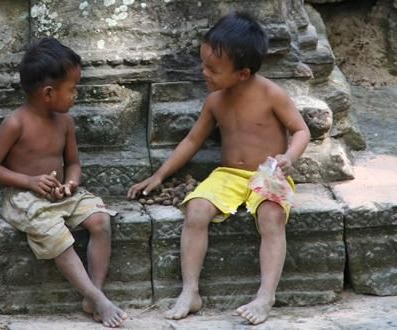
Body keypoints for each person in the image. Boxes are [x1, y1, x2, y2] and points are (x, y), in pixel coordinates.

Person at [127, 12, 310, 325]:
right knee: (196, 210)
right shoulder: (215, 101)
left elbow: (302, 130)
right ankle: (190, 291)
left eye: (212, 69)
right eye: (203, 63)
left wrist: (289, 157)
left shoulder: (271, 94)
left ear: (242, 73)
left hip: (267, 172)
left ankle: (266, 296)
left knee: (271, 216)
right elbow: (192, 140)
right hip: (227, 175)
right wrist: (160, 174)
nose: (204, 72)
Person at [0, 38, 127, 328]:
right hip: (25, 197)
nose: (76, 95)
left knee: (100, 220)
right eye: (72, 89)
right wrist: (29, 180)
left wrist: (71, 184)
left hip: (63, 195)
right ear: (48, 93)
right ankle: (94, 297)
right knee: (55, 235)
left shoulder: (65, 122)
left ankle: (94, 292)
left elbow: (73, 163)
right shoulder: (16, 123)